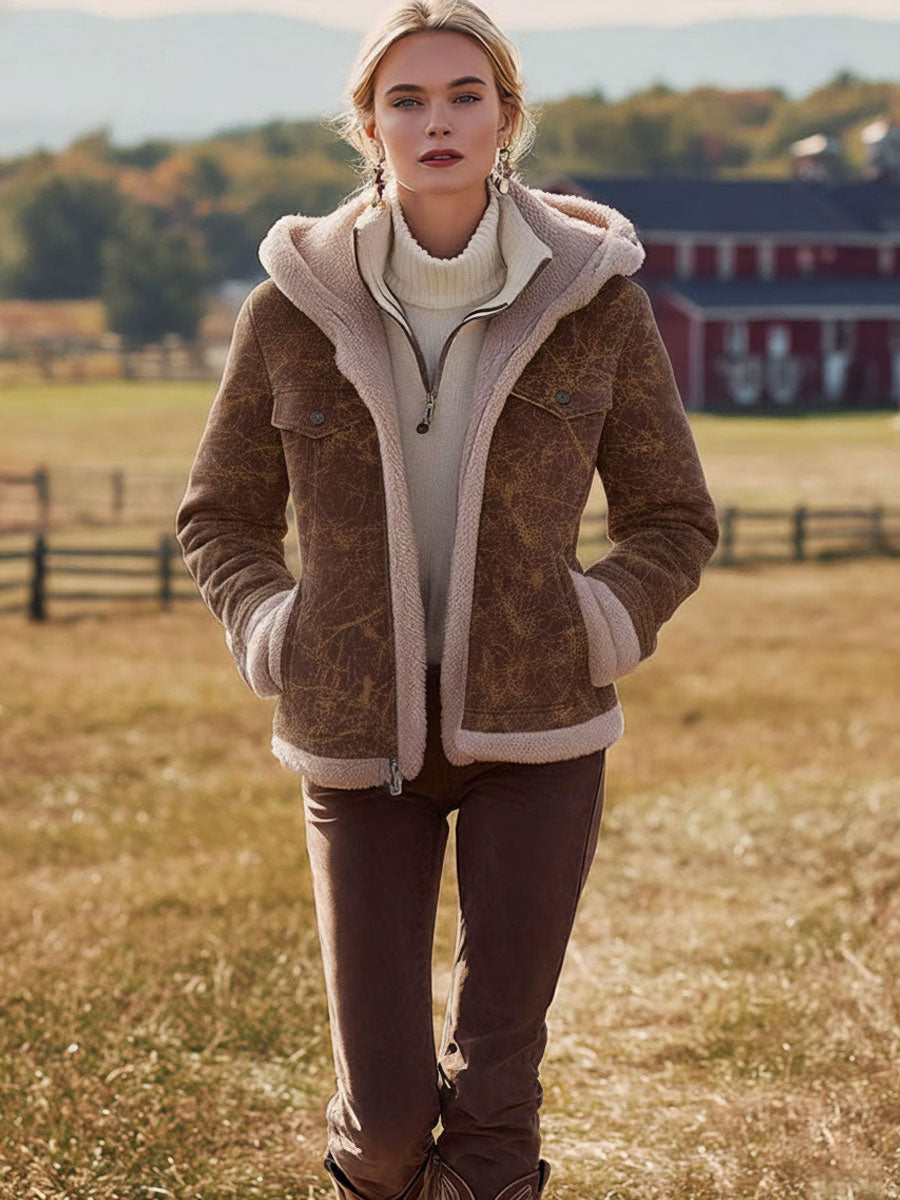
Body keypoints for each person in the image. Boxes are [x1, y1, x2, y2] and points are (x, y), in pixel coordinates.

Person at [174, 2, 720, 1197]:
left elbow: (675, 517)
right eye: (407, 99)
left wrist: (601, 622)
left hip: (541, 735)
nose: (437, 121)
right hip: (354, 740)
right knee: (380, 1127)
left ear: (507, 117)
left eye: (465, 95)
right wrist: (279, 632)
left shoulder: (597, 304)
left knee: (495, 1106)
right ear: (366, 126)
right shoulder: (290, 311)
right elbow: (218, 518)